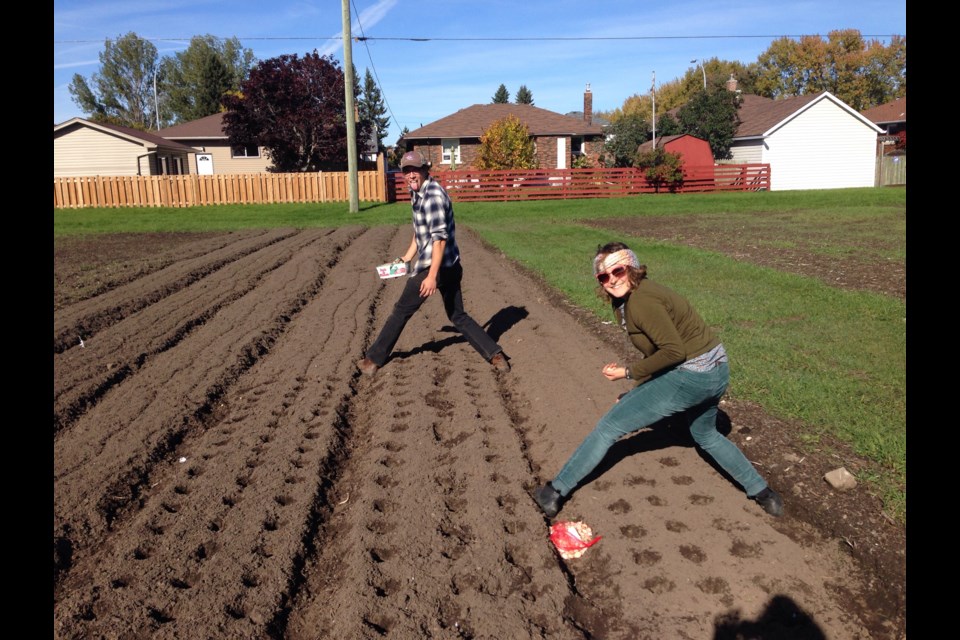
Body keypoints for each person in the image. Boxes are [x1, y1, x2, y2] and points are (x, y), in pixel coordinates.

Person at [533, 241, 783, 518]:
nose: (612, 280)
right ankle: (765, 494)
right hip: (716, 372)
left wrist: (627, 373)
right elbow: (660, 353)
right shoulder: (635, 297)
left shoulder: (642, 302)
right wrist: (640, 390)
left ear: (632, 268)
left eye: (618, 271)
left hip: (691, 375)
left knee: (609, 426)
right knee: (705, 434)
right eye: (603, 276)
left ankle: (554, 492)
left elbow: (673, 352)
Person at [357, 150, 510, 375]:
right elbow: (420, 233)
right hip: (450, 266)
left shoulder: (433, 197)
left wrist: (431, 277)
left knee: (401, 311)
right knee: (457, 316)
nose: (410, 175)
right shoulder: (418, 192)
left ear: (425, 170)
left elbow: (439, 241)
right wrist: (406, 259)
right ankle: (496, 355)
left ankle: (372, 360)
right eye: (406, 171)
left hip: (435, 267)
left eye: (414, 170)